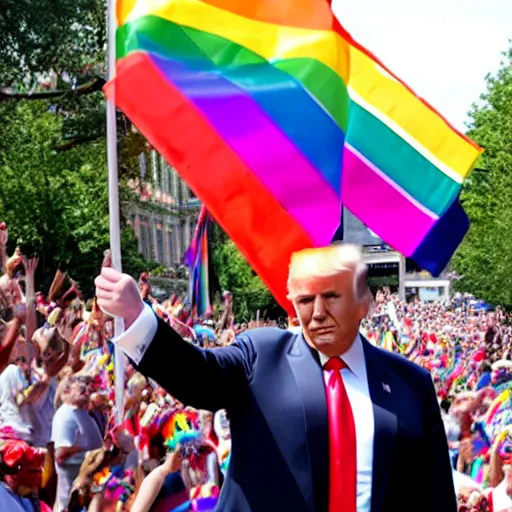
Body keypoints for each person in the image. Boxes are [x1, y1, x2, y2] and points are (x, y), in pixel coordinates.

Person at [95, 244, 457, 512]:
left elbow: (436, 495)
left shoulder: (411, 385)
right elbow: (196, 376)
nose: (316, 314)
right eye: (304, 300)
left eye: (331, 297)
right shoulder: (262, 356)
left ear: (364, 303)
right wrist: (135, 314)